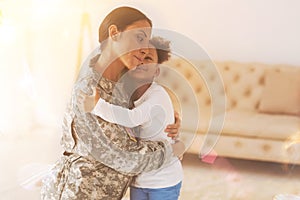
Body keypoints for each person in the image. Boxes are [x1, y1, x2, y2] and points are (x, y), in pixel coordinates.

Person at [41, 6, 181, 200]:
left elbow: (149, 110)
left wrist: (167, 123)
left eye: (147, 41)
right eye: (139, 38)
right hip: (79, 192)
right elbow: (125, 156)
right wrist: (172, 149)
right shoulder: (89, 91)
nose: (144, 48)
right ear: (114, 33)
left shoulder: (125, 83)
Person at [88, 37, 184, 200]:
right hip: (140, 180)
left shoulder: (158, 95)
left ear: (156, 71)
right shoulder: (125, 94)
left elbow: (132, 118)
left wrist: (98, 105)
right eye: (138, 57)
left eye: (148, 58)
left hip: (164, 180)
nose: (142, 62)